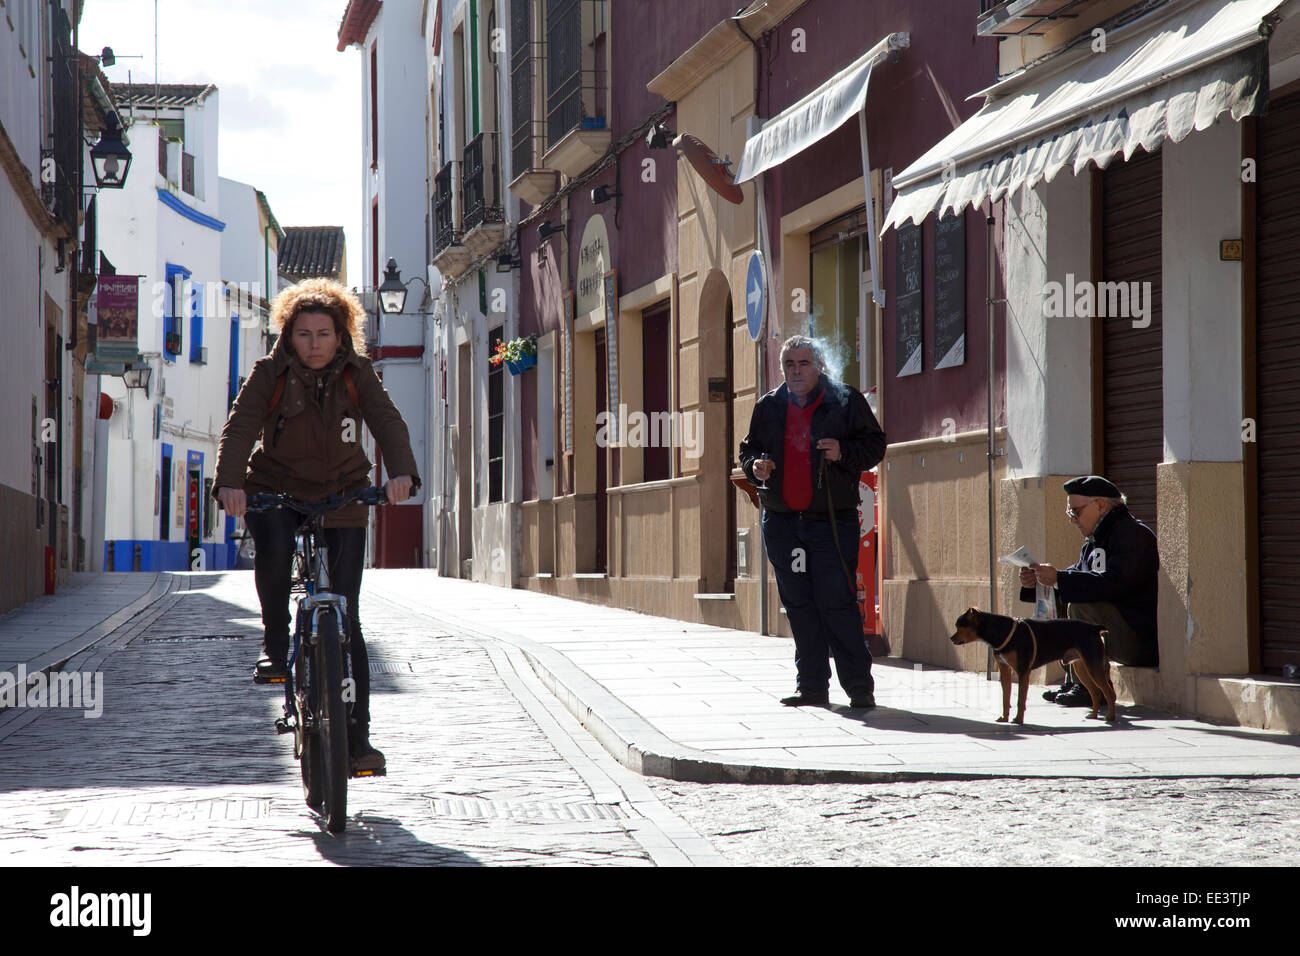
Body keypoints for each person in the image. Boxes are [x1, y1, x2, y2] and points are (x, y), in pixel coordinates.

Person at [213, 278, 421, 772]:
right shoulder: (271, 373)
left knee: (347, 620)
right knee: (275, 547)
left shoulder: (358, 373)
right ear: (288, 335)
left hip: (344, 492)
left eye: (323, 334)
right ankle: (275, 641)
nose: (313, 344)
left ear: (341, 334)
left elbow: (387, 421)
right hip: (278, 488)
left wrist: (402, 474)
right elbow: (241, 424)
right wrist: (229, 483)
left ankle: (358, 739)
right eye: (303, 334)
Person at [739, 335, 887, 709]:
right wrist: (754, 465)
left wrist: (843, 452)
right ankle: (812, 686)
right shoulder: (769, 406)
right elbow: (748, 448)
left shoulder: (844, 400)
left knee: (836, 602)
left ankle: (858, 688)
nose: (796, 371)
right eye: (789, 364)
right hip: (783, 523)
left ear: (818, 366)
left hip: (831, 523)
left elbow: (874, 446)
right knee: (799, 604)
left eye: (803, 364)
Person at [1020, 475, 1159, 707]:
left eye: (1076, 511)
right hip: (1115, 636)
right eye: (1070, 513)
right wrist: (1036, 584)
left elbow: (1116, 584)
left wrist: (1061, 579)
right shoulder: (1094, 541)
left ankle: (1091, 687)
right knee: (1066, 596)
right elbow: (1077, 581)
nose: (1072, 520)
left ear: (1101, 505)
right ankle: (1076, 679)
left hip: (1138, 641)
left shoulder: (1131, 534)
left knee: (1079, 602)